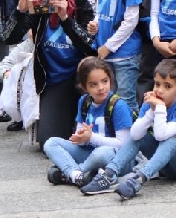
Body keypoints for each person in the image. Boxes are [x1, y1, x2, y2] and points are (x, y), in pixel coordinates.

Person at [80, 59, 176, 198]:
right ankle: (109, 175)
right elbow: (135, 135)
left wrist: (159, 108)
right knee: (140, 136)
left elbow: (162, 135)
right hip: (167, 167)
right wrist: (150, 111)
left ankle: (138, 180)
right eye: (157, 84)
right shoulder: (151, 103)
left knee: (170, 141)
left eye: (167, 86)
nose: (160, 90)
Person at [3, 0, 95, 146]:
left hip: (80, 79)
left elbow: (90, 47)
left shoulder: (84, 4)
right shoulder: (41, 3)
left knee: (82, 139)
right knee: (48, 141)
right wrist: (20, 11)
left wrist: (65, 19)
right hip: (52, 80)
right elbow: (9, 38)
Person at [44, 57, 133, 186]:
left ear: (110, 80)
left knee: (101, 153)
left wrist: (91, 137)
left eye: (104, 81)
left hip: (115, 158)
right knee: (51, 143)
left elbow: (123, 144)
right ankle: (79, 176)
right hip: (88, 153)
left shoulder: (118, 105)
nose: (101, 88)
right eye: (94, 84)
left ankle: (72, 173)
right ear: (85, 87)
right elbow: (80, 134)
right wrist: (80, 137)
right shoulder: (84, 101)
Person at [87, 0, 145, 111]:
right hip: (105, 51)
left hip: (124, 56)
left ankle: (133, 137)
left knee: (126, 101)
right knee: (107, 101)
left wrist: (109, 46)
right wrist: (96, 22)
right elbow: (101, 7)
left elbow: (130, 20)